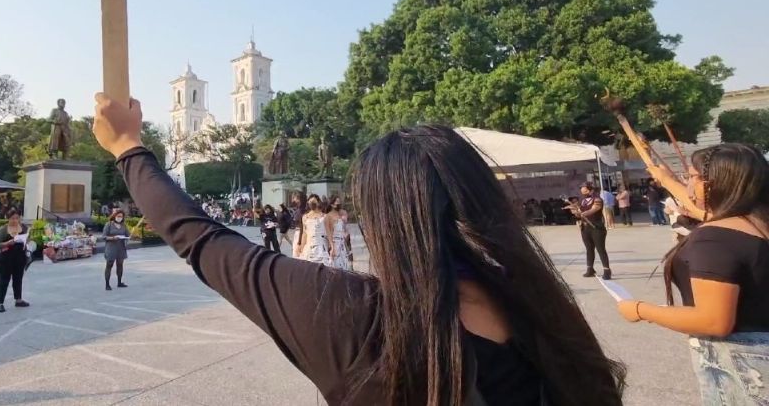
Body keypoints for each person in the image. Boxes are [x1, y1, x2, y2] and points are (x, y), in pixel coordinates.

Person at [91, 95, 625, 405]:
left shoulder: (356, 319)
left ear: (383, 216)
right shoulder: (543, 310)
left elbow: (204, 241)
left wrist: (129, 149)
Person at [617, 144, 769, 404]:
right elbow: (702, 209)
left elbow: (713, 321)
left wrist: (641, 310)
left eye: (692, 176)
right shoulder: (754, 224)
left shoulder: (713, 238)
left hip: (742, 365)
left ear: (716, 182)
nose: (688, 184)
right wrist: (667, 180)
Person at [571, 183, 612, 280]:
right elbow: (578, 214)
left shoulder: (597, 199)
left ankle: (607, 270)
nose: (583, 193)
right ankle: (590, 269)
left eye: (585, 191)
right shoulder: (583, 201)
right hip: (585, 228)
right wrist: (574, 211)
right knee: (589, 249)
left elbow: (594, 210)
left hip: (596, 228)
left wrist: (582, 213)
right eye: (582, 191)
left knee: (600, 249)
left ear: (591, 190)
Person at [0, 211, 29, 313]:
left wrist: (27, 242)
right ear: (8, 218)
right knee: (4, 280)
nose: (15, 220)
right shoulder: (3, 230)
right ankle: (0, 303)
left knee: (18, 279)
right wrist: (7, 243)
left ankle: (18, 299)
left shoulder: (23, 227)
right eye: (12, 218)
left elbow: (28, 238)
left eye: (17, 218)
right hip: (6, 258)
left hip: (20, 257)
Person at [294, 195, 332, 265]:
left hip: (321, 245)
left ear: (318, 203)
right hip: (309, 246)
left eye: (314, 201)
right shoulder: (305, 217)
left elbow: (328, 232)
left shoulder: (324, 216)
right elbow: (304, 234)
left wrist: (331, 246)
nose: (312, 203)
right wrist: (301, 247)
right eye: (310, 202)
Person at [102, 210, 129, 290]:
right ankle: (107, 284)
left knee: (120, 265)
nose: (119, 218)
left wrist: (128, 237)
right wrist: (113, 238)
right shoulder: (109, 225)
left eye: (121, 216)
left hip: (121, 248)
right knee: (109, 265)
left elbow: (127, 235)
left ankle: (119, 282)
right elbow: (104, 237)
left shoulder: (123, 225)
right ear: (114, 216)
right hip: (111, 247)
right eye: (118, 216)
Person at [327, 197, 352, 271]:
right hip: (335, 241)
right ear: (332, 204)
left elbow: (345, 226)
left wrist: (346, 234)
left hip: (343, 240)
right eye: (336, 202)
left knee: (345, 261)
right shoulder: (329, 215)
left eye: (339, 201)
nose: (338, 203)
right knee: (335, 263)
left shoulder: (343, 212)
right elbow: (329, 231)